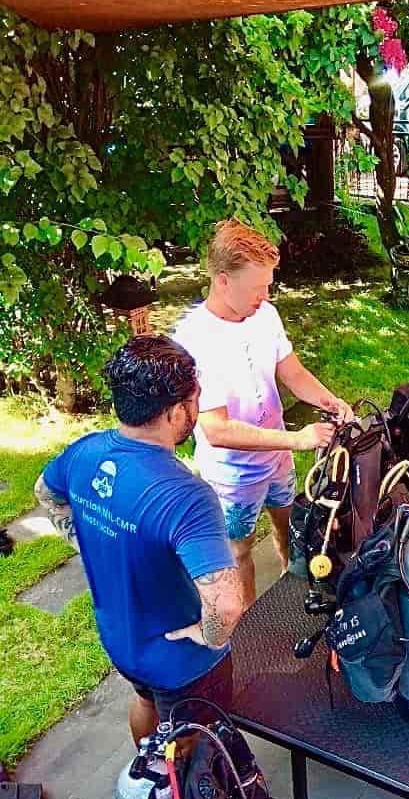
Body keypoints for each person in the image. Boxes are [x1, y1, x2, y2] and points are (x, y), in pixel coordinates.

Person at [35, 335, 243, 745]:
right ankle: (179, 797)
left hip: (120, 639)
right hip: (182, 664)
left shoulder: (85, 452)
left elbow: (45, 491)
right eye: (195, 398)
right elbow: (227, 603)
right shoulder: (186, 496)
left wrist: (84, 539)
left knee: (146, 704)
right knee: (195, 743)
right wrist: (209, 636)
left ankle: (147, 769)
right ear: (175, 411)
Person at [173, 219, 353, 608]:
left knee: (289, 527)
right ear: (223, 280)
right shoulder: (193, 340)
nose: (265, 294)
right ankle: (253, 623)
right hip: (232, 474)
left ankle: (295, 598)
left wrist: (330, 401)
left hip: (277, 460)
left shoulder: (265, 315)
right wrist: (298, 439)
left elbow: (292, 371)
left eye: (267, 285)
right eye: (257, 287)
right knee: (239, 553)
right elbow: (216, 430)